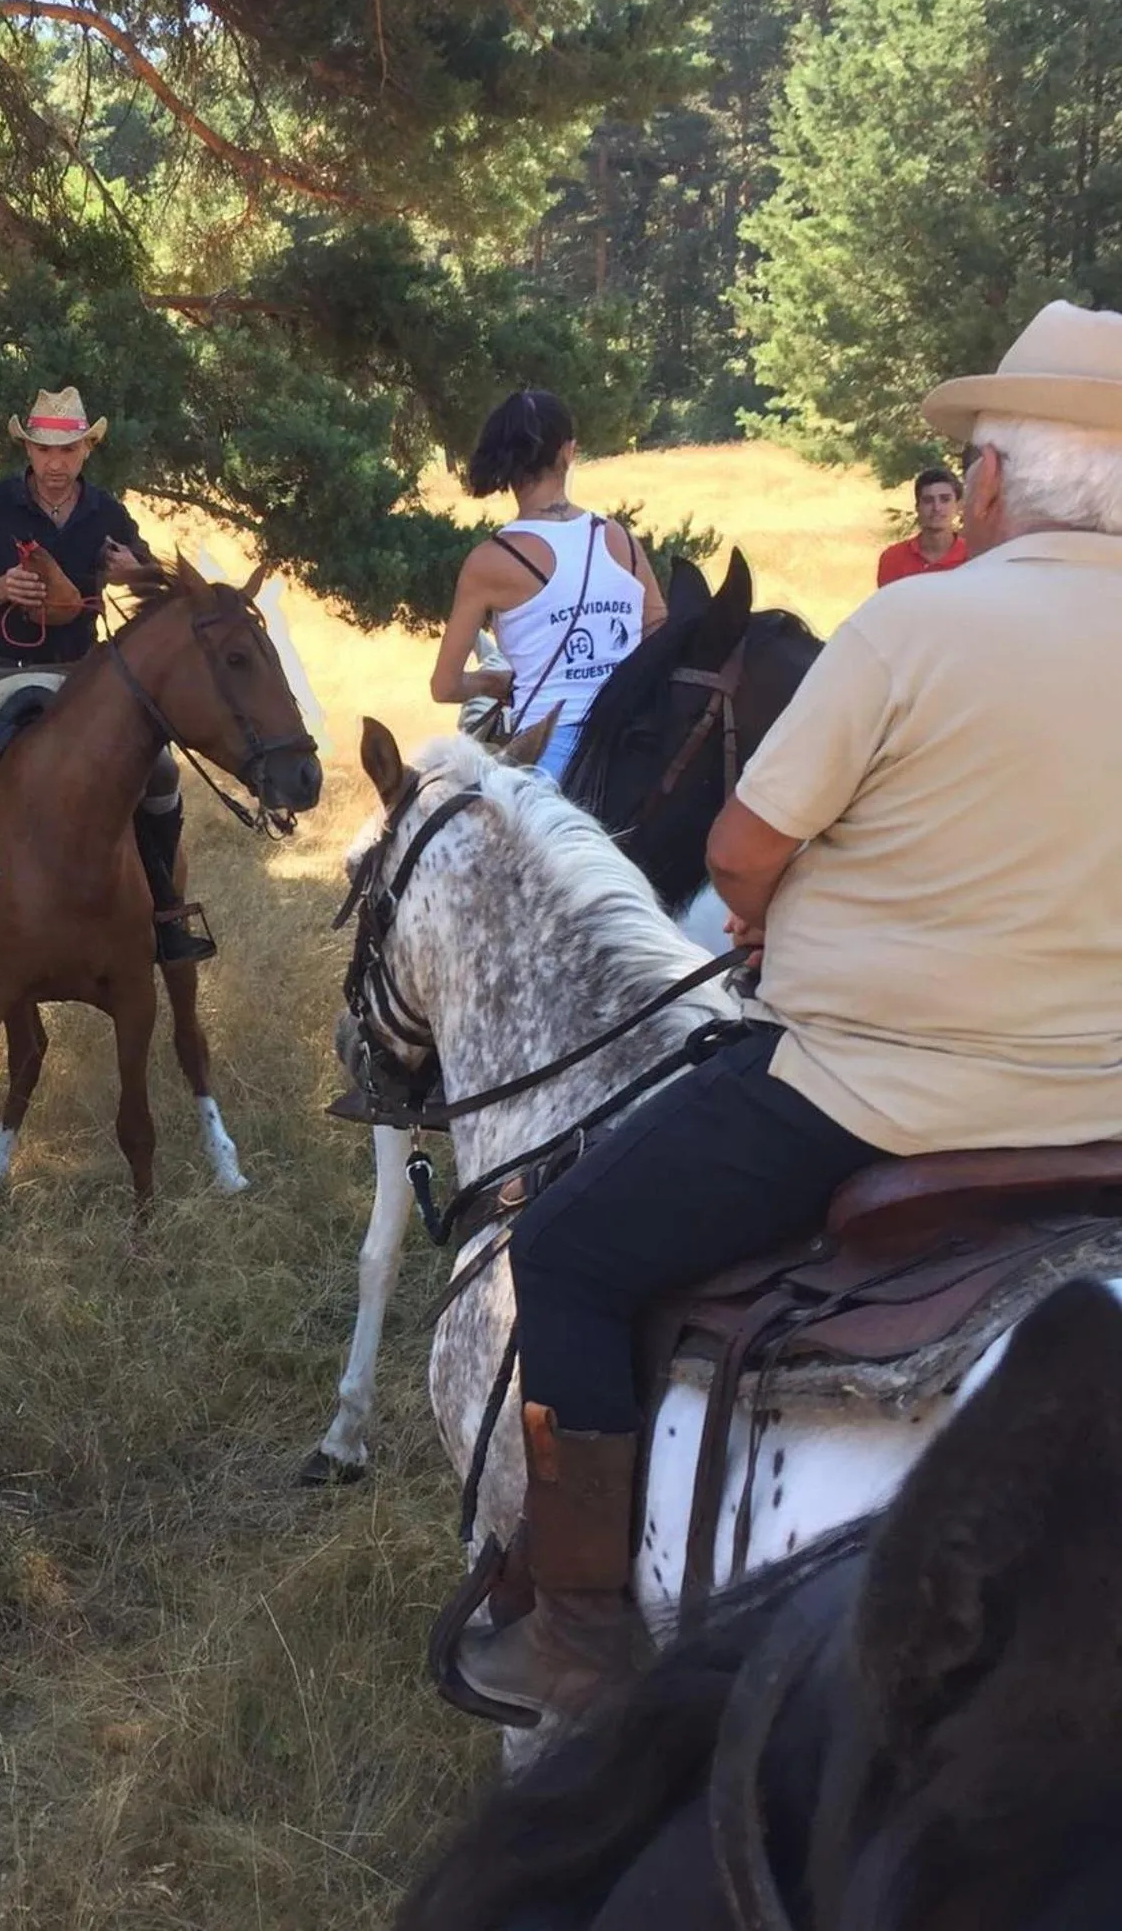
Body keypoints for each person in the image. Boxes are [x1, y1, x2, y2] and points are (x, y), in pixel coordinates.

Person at [455, 301, 1122, 1723]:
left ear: (994, 481)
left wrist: (781, 898)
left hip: (878, 1092)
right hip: (1112, 1104)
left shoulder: (912, 623)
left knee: (568, 1248)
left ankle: (578, 1628)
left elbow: (740, 853)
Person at [0, 387, 216, 1003]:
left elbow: (154, 597)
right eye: (44, 448)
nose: (55, 461)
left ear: (87, 449)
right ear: (27, 449)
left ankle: (166, 914)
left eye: (68, 448)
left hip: (79, 676)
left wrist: (132, 574)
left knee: (159, 772)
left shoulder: (109, 515)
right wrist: (0, 588)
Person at [428, 389, 667, 786]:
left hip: (550, 757)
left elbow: (444, 685)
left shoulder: (491, 560)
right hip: (635, 749)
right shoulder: (620, 541)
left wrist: (495, 682)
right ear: (569, 452)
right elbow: (660, 633)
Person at [876, 465, 968, 586]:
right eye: (928, 500)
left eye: (945, 499)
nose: (937, 508)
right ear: (917, 507)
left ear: (958, 505)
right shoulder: (893, 558)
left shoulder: (973, 557)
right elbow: (888, 604)